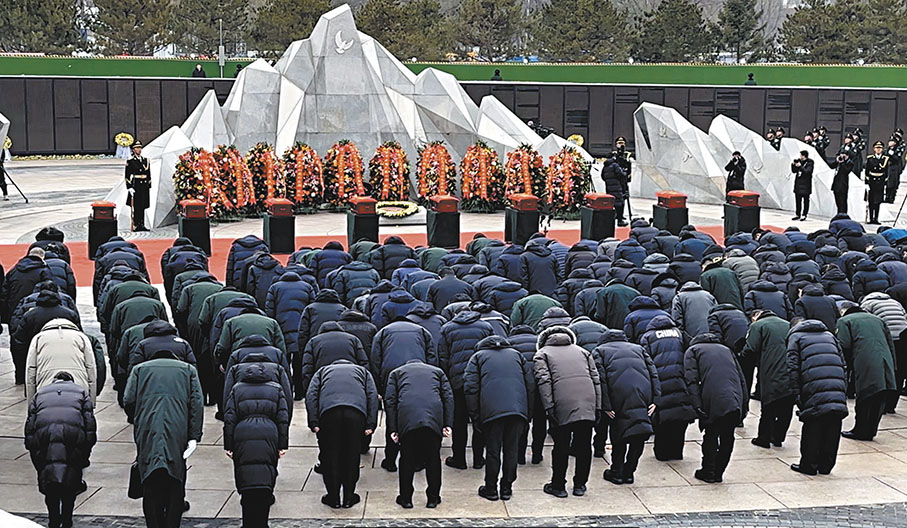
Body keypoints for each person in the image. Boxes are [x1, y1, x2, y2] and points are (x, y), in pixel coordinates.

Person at [124, 351, 203, 528]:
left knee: (150, 477)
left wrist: (139, 418)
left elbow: (128, 400)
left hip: (148, 426)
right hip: (178, 426)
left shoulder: (139, 369)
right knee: (176, 477)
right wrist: (194, 435)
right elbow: (197, 403)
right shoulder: (188, 369)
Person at [464, 335, 534, 501]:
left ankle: (491, 488)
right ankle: (506, 488)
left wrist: (475, 416)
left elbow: (470, 388)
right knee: (511, 450)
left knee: (493, 451)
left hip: (491, 411)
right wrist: (527, 414)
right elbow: (530, 385)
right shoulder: (517, 355)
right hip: (517, 410)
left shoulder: (478, 357)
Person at [534, 326, 601, 498]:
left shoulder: (542, 354)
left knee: (561, 446)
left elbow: (544, 381)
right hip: (587, 402)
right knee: (584, 445)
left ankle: (558, 486)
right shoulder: (583, 352)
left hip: (561, 403)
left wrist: (549, 407)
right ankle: (580, 485)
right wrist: (597, 406)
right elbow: (596, 379)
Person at [24, 371, 97, 528]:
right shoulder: (82, 393)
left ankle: (54, 520)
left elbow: (30, 426)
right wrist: (85, 452)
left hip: (45, 441)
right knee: (70, 486)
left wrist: (34, 452)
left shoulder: (40, 394)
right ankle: (67, 520)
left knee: (50, 485)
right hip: (73, 441)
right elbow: (90, 426)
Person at [224, 360, 291, 524]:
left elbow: (229, 418)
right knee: (266, 473)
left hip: (242, 433)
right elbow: (283, 417)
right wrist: (283, 444)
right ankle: (262, 520)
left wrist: (229, 444)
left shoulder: (237, 389)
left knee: (245, 475)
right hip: (269, 432)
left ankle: (248, 521)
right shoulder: (276, 389)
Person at [306, 359, 378, 509]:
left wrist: (314, 422)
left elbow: (311, 395)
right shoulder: (363, 372)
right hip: (355, 413)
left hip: (329, 412)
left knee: (330, 456)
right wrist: (371, 424)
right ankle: (348, 497)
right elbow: (372, 396)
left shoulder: (322, 371)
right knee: (352, 455)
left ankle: (333, 497)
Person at [384, 359, 453, 509]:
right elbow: (448, 398)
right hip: (433, 419)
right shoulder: (438, 372)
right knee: (433, 459)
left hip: (407, 418)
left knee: (406, 459)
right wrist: (447, 424)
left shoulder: (396, 373)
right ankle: (433, 498)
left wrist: (393, 428)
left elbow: (390, 402)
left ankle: (406, 498)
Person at [596, 330, 659, 485]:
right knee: (639, 432)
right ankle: (629, 472)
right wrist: (655, 399)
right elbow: (653, 373)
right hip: (642, 394)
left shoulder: (600, 351)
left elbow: (600, 379)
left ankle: (616, 472)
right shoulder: (638, 348)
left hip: (617, 395)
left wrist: (605, 405)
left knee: (618, 435)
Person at [684, 333, 748, 483]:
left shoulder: (693, 351)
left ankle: (708, 471)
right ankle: (719, 472)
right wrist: (744, 404)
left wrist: (697, 405)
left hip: (712, 398)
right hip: (734, 398)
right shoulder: (726, 350)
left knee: (711, 434)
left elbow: (691, 381)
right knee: (728, 436)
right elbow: (741, 378)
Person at [787, 319, 848, 475]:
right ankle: (826, 465)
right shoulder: (829, 335)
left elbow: (792, 367)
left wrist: (796, 392)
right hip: (836, 383)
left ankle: (809, 465)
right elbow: (843, 363)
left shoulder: (796, 338)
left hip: (812, 385)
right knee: (833, 422)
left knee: (813, 424)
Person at [836, 301, 897, 440]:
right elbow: (890, 343)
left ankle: (860, 430)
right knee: (879, 395)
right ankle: (871, 430)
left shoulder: (844, 321)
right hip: (885, 359)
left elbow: (843, 344)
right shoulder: (878, 320)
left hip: (864, 360)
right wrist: (893, 366)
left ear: (843, 311)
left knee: (865, 395)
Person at [640, 316, 695, 461]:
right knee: (679, 414)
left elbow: (645, 360)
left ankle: (662, 452)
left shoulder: (648, 337)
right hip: (679, 378)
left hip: (660, 380)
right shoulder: (679, 333)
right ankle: (676, 452)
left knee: (662, 415)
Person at [741, 310, 795, 448]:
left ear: (755, 317)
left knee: (769, 404)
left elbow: (751, 348)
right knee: (787, 404)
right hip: (790, 366)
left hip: (771, 368)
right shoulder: (788, 324)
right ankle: (778, 437)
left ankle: (764, 438)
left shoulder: (758, 326)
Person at [26, 319, 97, 405]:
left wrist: (31, 403)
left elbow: (31, 370)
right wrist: (91, 401)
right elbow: (91, 368)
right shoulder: (81, 337)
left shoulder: (38, 338)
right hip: (78, 386)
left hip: (46, 386)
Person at [125, 141, 152, 231]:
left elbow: (149, 174)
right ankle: (136, 224)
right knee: (137, 206)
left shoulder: (146, 160)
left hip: (144, 185)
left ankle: (142, 224)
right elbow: (127, 175)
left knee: (143, 205)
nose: (139, 150)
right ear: (133, 150)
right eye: (137, 148)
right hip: (136, 184)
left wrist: (149, 185)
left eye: (140, 148)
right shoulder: (131, 161)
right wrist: (129, 187)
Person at [610, 137, 634, 226]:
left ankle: (621, 214)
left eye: (622, 142)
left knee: (623, 197)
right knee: (616, 198)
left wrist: (628, 177)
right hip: (616, 179)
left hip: (623, 178)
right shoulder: (613, 155)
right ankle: (617, 214)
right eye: (619, 142)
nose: (621, 144)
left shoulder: (627, 154)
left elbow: (628, 166)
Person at [864, 141, 889, 225]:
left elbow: (886, 172)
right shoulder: (870, 158)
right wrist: (866, 183)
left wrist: (885, 183)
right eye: (877, 148)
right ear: (874, 149)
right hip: (872, 181)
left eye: (880, 148)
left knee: (878, 201)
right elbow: (867, 171)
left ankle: (876, 218)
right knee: (871, 201)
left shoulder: (885, 159)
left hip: (880, 181)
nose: (878, 150)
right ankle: (871, 218)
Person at [790, 151, 814, 221]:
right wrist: (793, 164)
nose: (800, 157)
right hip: (798, 184)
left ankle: (804, 214)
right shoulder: (799, 161)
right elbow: (794, 171)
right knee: (798, 200)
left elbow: (808, 172)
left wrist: (800, 166)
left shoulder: (810, 162)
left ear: (804, 156)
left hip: (806, 184)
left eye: (801, 156)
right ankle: (798, 214)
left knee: (806, 201)